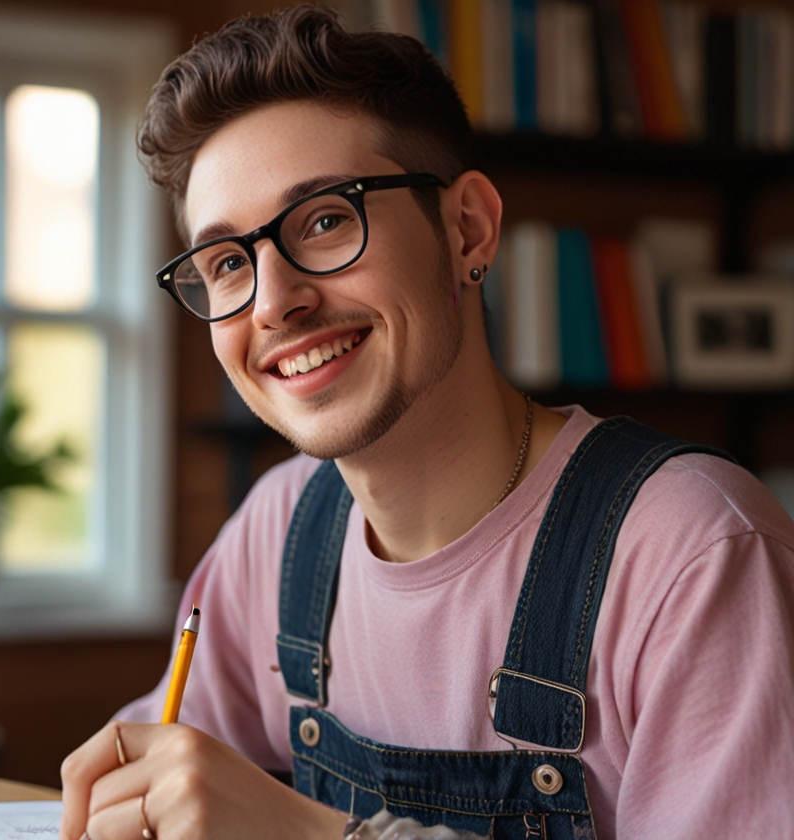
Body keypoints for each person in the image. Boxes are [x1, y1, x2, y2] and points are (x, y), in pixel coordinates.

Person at [58, 6, 794, 840]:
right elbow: (147, 777)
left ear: (467, 229)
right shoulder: (281, 530)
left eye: (327, 220)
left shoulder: (695, 557)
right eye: (229, 263)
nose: (274, 303)